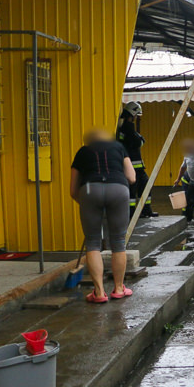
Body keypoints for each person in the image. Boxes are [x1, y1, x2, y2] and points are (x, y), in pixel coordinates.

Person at [70, 128, 136, 303]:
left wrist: (86, 204)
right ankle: (119, 288)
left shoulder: (82, 152)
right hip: (118, 188)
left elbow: (73, 190)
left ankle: (99, 293)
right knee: (118, 241)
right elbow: (131, 177)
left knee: (92, 242)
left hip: (90, 189)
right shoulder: (119, 147)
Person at [118, 101, 155, 218]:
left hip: (135, 167)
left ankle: (144, 210)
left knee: (143, 187)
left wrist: (140, 139)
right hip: (132, 168)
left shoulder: (126, 128)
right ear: (132, 114)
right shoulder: (128, 127)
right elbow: (138, 142)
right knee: (133, 192)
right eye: (136, 115)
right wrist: (140, 140)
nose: (136, 118)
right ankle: (135, 213)